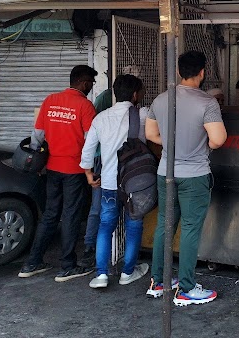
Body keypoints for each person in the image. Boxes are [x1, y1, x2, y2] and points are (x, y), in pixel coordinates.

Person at [145, 51, 227, 306]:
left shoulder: (161, 99)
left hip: (165, 172)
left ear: (179, 72)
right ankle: (186, 289)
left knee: (164, 224)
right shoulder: (207, 103)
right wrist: (202, 147)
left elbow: (151, 135)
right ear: (202, 73)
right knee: (190, 228)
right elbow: (218, 139)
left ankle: (158, 282)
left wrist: (173, 146)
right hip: (194, 176)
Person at [18, 65, 98, 281]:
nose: (91, 87)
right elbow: (91, 140)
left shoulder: (50, 100)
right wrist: (89, 169)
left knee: (50, 214)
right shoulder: (85, 106)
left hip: (52, 168)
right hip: (74, 169)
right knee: (71, 215)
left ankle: (32, 262)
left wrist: (37, 161)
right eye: (91, 83)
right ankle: (67, 266)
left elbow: (37, 135)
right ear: (84, 83)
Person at [80, 74, 149, 289]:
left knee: (105, 226)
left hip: (109, 182)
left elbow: (88, 150)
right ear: (135, 94)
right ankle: (128, 272)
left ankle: (101, 274)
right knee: (134, 226)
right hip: (134, 184)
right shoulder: (142, 114)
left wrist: (89, 174)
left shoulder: (101, 118)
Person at [79, 87, 113, 268]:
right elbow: (90, 139)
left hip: (106, 157)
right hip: (102, 157)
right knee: (98, 206)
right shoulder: (106, 98)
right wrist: (89, 171)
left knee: (102, 207)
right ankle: (90, 246)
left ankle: (98, 247)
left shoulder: (105, 99)